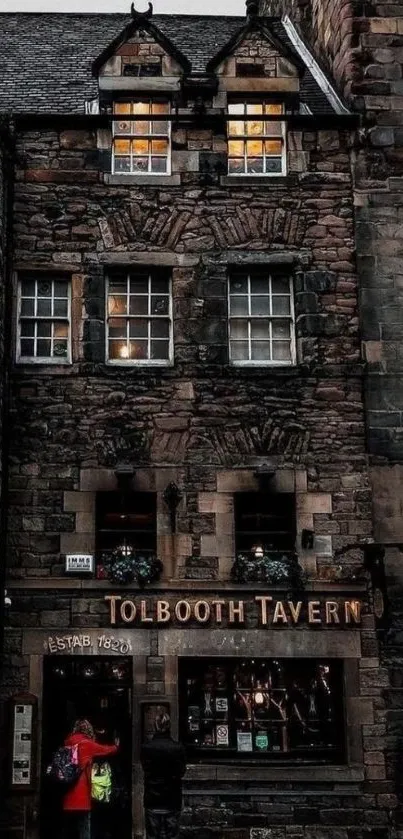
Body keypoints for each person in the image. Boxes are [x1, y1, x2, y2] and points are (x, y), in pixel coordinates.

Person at [62, 719, 118, 839]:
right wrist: (116, 746)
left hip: (67, 794)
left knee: (69, 830)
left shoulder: (67, 742)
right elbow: (105, 750)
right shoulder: (86, 744)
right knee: (84, 829)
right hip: (82, 795)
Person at [140, 712, 186, 839]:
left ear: (155, 726)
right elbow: (182, 771)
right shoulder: (177, 748)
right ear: (169, 726)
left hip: (152, 798)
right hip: (172, 798)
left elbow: (146, 769)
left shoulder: (146, 747)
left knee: (152, 835)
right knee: (172, 835)